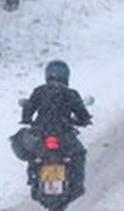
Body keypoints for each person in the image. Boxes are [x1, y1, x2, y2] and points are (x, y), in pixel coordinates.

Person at [21, 60, 92, 198]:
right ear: (66, 76)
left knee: (34, 155)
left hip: (42, 132)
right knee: (78, 154)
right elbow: (82, 114)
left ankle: (34, 177)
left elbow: (28, 110)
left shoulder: (39, 91)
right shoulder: (71, 94)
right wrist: (83, 121)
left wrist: (26, 119)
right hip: (63, 133)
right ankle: (75, 184)